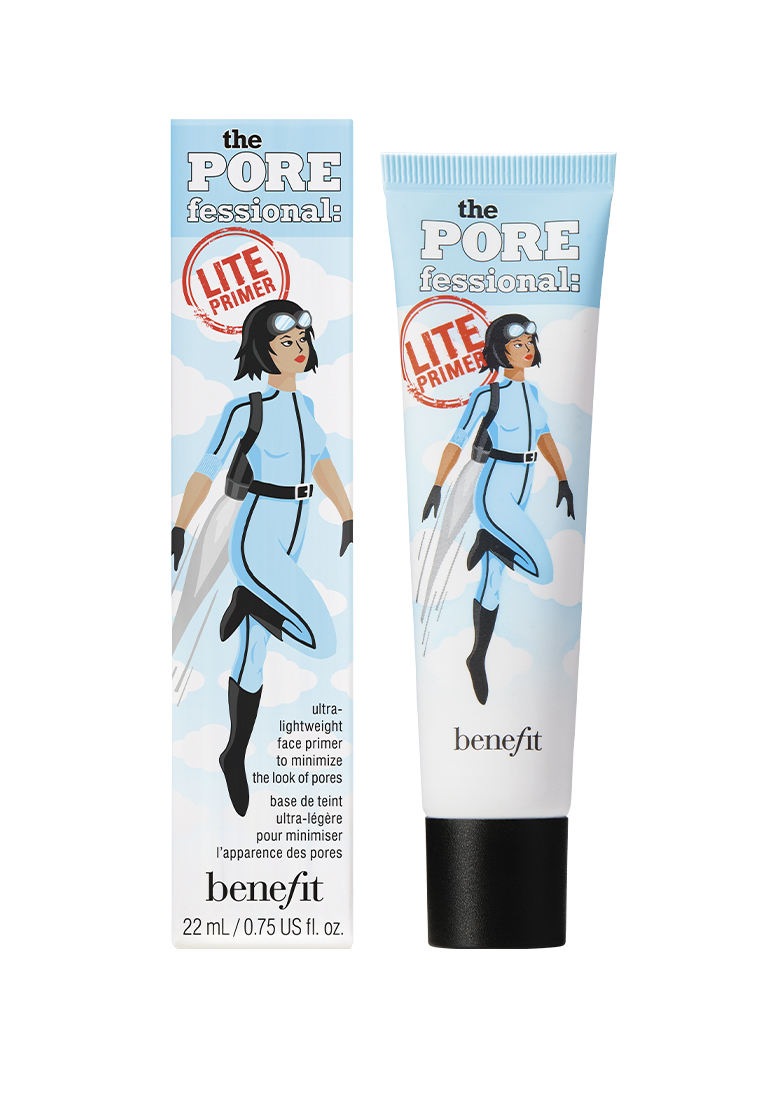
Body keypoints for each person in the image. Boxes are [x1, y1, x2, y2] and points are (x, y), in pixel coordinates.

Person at [172, 300, 352, 815]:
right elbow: (207, 467)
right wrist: (180, 525)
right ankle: (248, 600)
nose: (299, 349)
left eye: (303, 340)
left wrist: (347, 513)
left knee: (253, 655)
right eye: (285, 342)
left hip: (298, 526)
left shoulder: (308, 407)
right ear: (262, 350)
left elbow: (321, 461)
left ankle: (234, 753)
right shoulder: (246, 409)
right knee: (322, 641)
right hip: (257, 530)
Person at [422, 314, 573, 705]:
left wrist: (562, 478)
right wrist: (437, 485)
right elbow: (457, 440)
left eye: (530, 342)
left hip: (524, 484)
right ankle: (488, 539)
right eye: (517, 344)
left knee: (492, 581)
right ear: (500, 350)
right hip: (495, 488)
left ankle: (477, 656)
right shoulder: (488, 395)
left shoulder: (533, 394)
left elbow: (544, 437)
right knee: (543, 569)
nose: (527, 349)